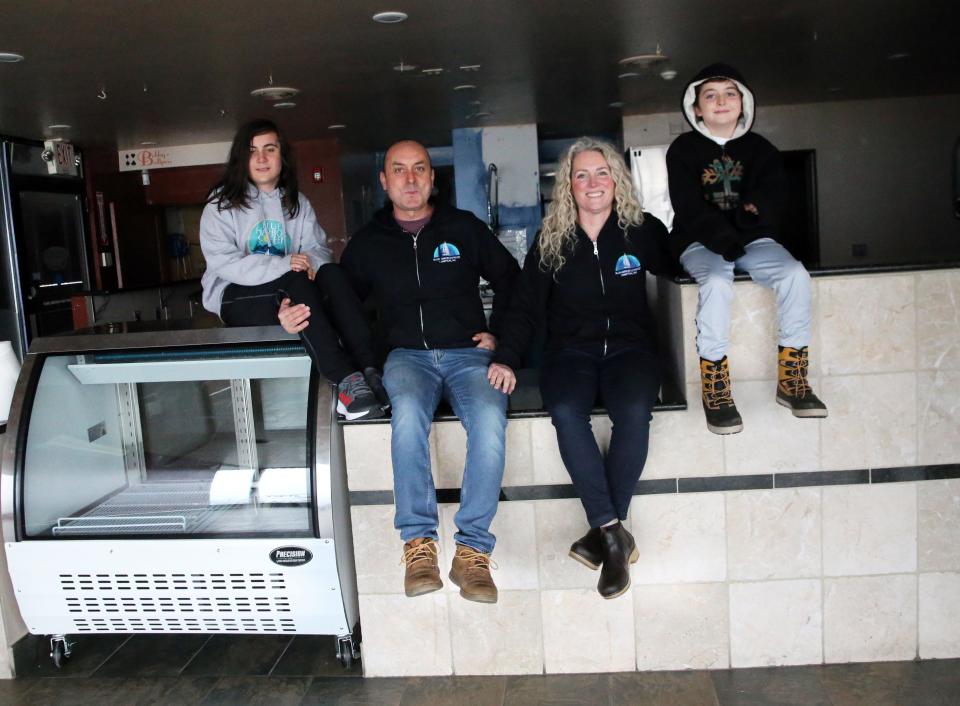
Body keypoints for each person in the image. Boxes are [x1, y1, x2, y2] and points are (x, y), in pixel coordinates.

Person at [487, 138, 677, 599]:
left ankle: (603, 536)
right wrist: (506, 356)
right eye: (581, 175)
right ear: (568, 186)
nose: (592, 183)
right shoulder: (551, 240)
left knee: (634, 411)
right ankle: (614, 533)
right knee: (567, 411)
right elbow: (525, 307)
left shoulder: (641, 230)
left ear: (616, 179)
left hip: (630, 350)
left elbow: (682, 265)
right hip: (570, 354)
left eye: (601, 173)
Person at [336, 140, 520, 603]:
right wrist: (368, 360)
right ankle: (419, 545)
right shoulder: (367, 244)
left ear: (432, 178)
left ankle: (472, 552)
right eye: (399, 170)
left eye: (420, 169)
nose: (411, 179)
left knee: (490, 422)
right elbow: (344, 305)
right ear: (384, 181)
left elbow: (514, 281)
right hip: (407, 359)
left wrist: (500, 339)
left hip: (468, 356)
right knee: (408, 415)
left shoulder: (464, 228)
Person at [666, 63, 827, 434]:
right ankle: (716, 389)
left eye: (729, 94)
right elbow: (688, 206)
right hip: (698, 239)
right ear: (696, 108)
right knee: (717, 283)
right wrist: (722, 238)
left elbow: (771, 195)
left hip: (752, 237)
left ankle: (792, 379)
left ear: (744, 103)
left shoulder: (761, 150)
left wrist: (752, 216)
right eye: (711, 95)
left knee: (794, 275)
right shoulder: (683, 150)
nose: (720, 101)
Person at [200, 118, 386, 420]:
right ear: (241, 158)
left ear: (281, 156)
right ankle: (344, 382)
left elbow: (319, 249)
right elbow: (226, 264)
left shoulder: (296, 202)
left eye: (269, 149)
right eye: (253, 151)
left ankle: (369, 370)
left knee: (332, 273)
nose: (261, 158)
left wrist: (308, 265)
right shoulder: (221, 204)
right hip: (234, 296)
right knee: (295, 280)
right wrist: (286, 264)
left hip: (290, 293)